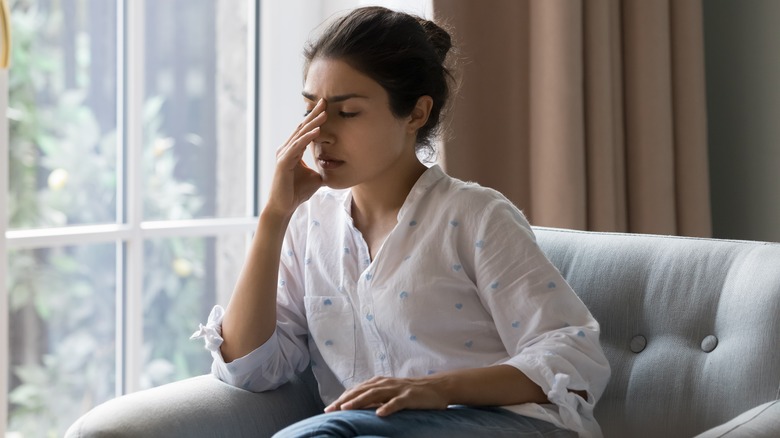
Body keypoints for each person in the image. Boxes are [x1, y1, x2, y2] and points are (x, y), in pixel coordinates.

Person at [192, 6, 610, 438]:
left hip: (510, 424)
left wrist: (435, 389)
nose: (319, 133)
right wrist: (274, 217)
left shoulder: (476, 217)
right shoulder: (308, 226)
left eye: (346, 112)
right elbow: (249, 370)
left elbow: (572, 357)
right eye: (310, 110)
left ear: (415, 114)